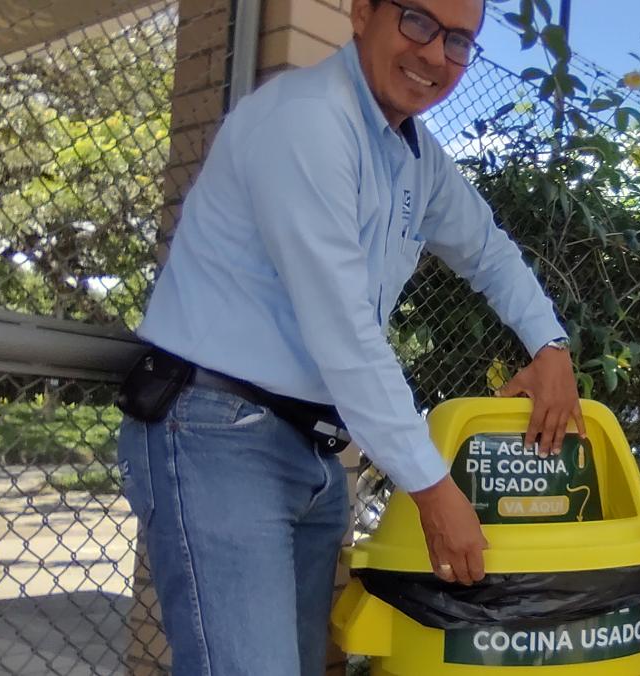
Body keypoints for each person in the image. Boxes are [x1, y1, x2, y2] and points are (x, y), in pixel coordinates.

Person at [115, 0, 584, 673]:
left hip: (309, 447)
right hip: (215, 432)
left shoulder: (414, 155)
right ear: (362, 12)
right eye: (418, 21)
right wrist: (431, 488)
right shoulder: (307, 120)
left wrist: (551, 347)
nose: (434, 55)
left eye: (458, 40)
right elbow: (344, 331)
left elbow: (488, 250)